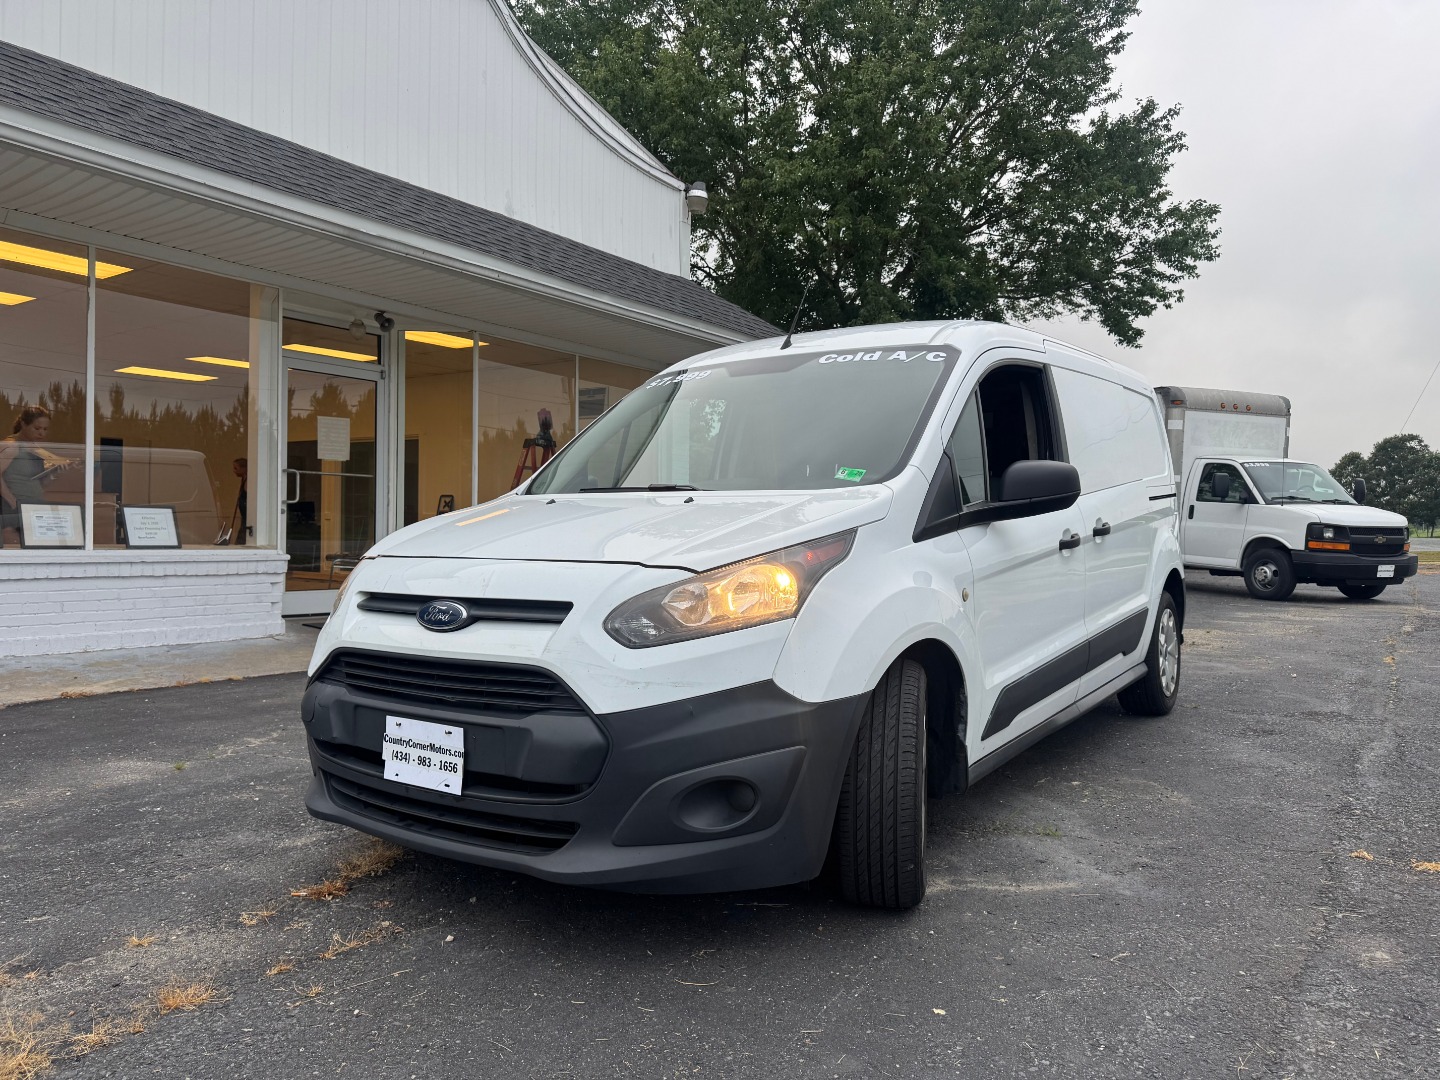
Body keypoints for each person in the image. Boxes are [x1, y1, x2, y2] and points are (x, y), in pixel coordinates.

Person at [1, 406, 68, 547]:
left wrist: (55, 473)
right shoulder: (12, 446)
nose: (41, 433)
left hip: (34, 507)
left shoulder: (35, 449)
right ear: (23, 424)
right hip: (14, 508)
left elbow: (40, 483)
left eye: (45, 429)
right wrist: (12, 501)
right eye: (37, 428)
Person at [231, 457, 248, 545]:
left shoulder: (248, 482)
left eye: (236, 468)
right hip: (244, 517)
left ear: (244, 469)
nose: (234, 471)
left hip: (247, 517)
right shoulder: (244, 480)